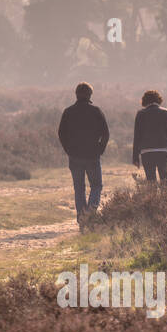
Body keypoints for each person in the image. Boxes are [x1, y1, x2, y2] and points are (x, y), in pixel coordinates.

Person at [57, 82, 109, 230]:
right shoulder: (96, 111)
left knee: (79, 187)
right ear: (90, 95)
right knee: (96, 185)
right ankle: (90, 214)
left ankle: (81, 217)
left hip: (74, 156)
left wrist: (68, 150)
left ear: (76, 94)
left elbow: (61, 133)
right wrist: (100, 150)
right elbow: (106, 133)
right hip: (92, 155)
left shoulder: (68, 112)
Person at [132, 89, 167, 182]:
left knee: (151, 182)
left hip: (147, 152)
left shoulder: (141, 114)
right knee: (166, 182)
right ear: (158, 100)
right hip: (164, 151)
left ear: (144, 101)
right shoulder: (166, 113)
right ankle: (166, 197)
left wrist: (135, 157)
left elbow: (137, 136)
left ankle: (152, 196)